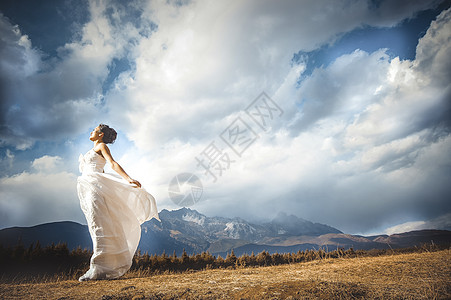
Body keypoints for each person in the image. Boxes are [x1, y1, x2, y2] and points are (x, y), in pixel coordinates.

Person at [77, 124, 159, 281]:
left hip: (94, 189)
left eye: (94, 130)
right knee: (96, 226)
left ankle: (98, 268)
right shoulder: (93, 150)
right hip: (89, 187)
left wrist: (128, 179)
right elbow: (99, 171)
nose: (91, 131)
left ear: (100, 134)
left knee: (99, 226)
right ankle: (102, 267)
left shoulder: (101, 146)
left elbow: (112, 163)